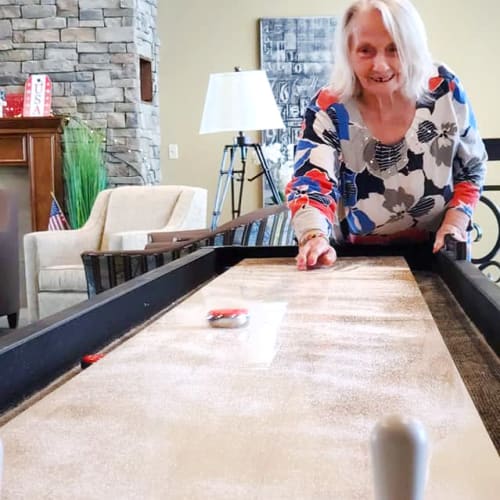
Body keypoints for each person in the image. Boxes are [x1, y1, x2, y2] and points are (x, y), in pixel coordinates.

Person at [286, 0, 487, 270]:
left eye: (394, 49)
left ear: (413, 49)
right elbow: (311, 184)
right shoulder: (329, 107)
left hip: (440, 253)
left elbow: (471, 169)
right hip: (351, 261)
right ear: (349, 52)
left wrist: (455, 224)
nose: (380, 66)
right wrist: (314, 237)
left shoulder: (445, 89)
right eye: (366, 51)